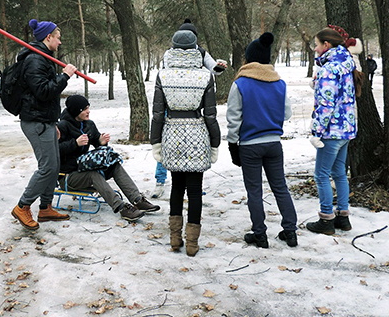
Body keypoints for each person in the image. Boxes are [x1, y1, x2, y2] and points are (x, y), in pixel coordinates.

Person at [151, 30, 221, 257]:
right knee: (195, 190)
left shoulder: (163, 75)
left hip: (171, 133)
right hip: (197, 134)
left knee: (176, 187)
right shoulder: (205, 76)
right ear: (195, 48)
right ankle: (192, 243)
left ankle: (174, 239)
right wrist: (215, 142)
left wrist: (155, 142)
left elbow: (157, 115)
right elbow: (210, 115)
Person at [226, 32, 298, 249]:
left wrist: (232, 145)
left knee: (254, 190)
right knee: (280, 187)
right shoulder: (279, 83)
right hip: (274, 144)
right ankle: (290, 231)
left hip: (249, 146)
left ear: (248, 59)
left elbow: (233, 118)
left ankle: (260, 234)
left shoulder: (240, 84)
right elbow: (286, 114)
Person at [11, 19, 77, 230]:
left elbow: (44, 95)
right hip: (35, 122)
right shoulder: (35, 60)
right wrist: (65, 76)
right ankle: (23, 206)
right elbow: (44, 91)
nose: (60, 43)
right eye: (58, 38)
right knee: (47, 167)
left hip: (45, 120)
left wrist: (53, 123)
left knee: (54, 165)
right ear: (48, 37)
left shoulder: (43, 58)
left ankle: (46, 207)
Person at [152, 19, 228, 199]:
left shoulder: (199, 52)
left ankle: (185, 182)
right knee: (178, 143)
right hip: (177, 103)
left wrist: (219, 67)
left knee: (168, 140)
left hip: (184, 102)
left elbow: (213, 68)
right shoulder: (171, 54)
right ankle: (166, 180)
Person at [58, 95, 161, 222]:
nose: (88, 111)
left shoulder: (89, 124)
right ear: (76, 111)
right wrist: (75, 143)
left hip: (85, 167)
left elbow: (96, 142)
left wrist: (101, 141)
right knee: (93, 174)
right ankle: (122, 208)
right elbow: (54, 150)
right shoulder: (62, 126)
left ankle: (138, 200)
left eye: (88, 108)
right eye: (84, 109)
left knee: (114, 165)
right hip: (68, 176)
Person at [306, 27, 357, 235]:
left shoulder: (329, 69)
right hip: (346, 129)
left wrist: (316, 131)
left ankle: (326, 219)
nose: (316, 49)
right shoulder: (346, 64)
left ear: (326, 45)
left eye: (317, 45)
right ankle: (343, 218)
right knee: (339, 174)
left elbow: (326, 104)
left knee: (321, 175)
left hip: (331, 130)